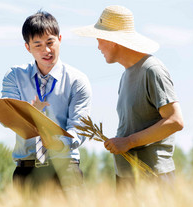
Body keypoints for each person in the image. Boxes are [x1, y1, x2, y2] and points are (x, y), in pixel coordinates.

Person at [73, 5, 184, 187]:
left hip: (152, 177)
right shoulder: (126, 74)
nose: (98, 46)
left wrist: (128, 142)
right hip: (126, 177)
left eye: (99, 39)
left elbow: (175, 121)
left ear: (113, 39)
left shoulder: (152, 70)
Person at [1, 10, 92, 191]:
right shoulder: (14, 76)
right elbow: (8, 117)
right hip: (26, 170)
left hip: (65, 168)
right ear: (27, 47)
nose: (47, 50)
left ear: (59, 39)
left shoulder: (77, 80)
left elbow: (79, 127)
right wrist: (29, 115)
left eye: (50, 42)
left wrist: (58, 142)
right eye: (38, 45)